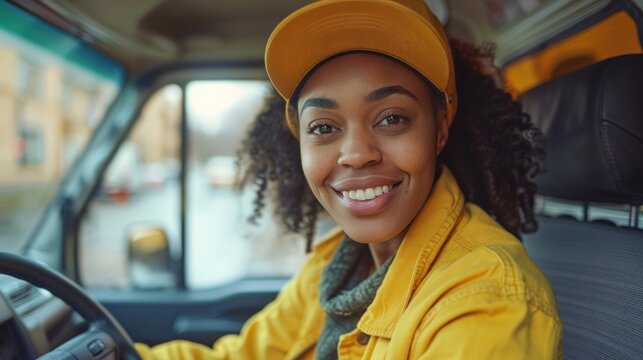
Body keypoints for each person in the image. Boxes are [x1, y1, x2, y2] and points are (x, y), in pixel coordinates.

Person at [136, 0, 562, 358]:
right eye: (323, 128)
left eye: (392, 118)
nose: (356, 154)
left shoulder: (486, 301)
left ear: (440, 130)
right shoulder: (337, 264)